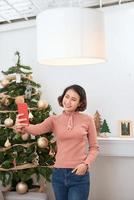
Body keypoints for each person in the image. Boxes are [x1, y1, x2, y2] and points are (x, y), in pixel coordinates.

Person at [15, 84, 99, 200]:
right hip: (58, 174)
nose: (68, 101)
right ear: (62, 97)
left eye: (73, 99)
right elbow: (36, 129)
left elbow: (94, 148)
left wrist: (85, 164)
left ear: (80, 103)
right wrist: (22, 126)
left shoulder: (88, 120)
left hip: (79, 175)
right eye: (67, 96)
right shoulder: (54, 120)